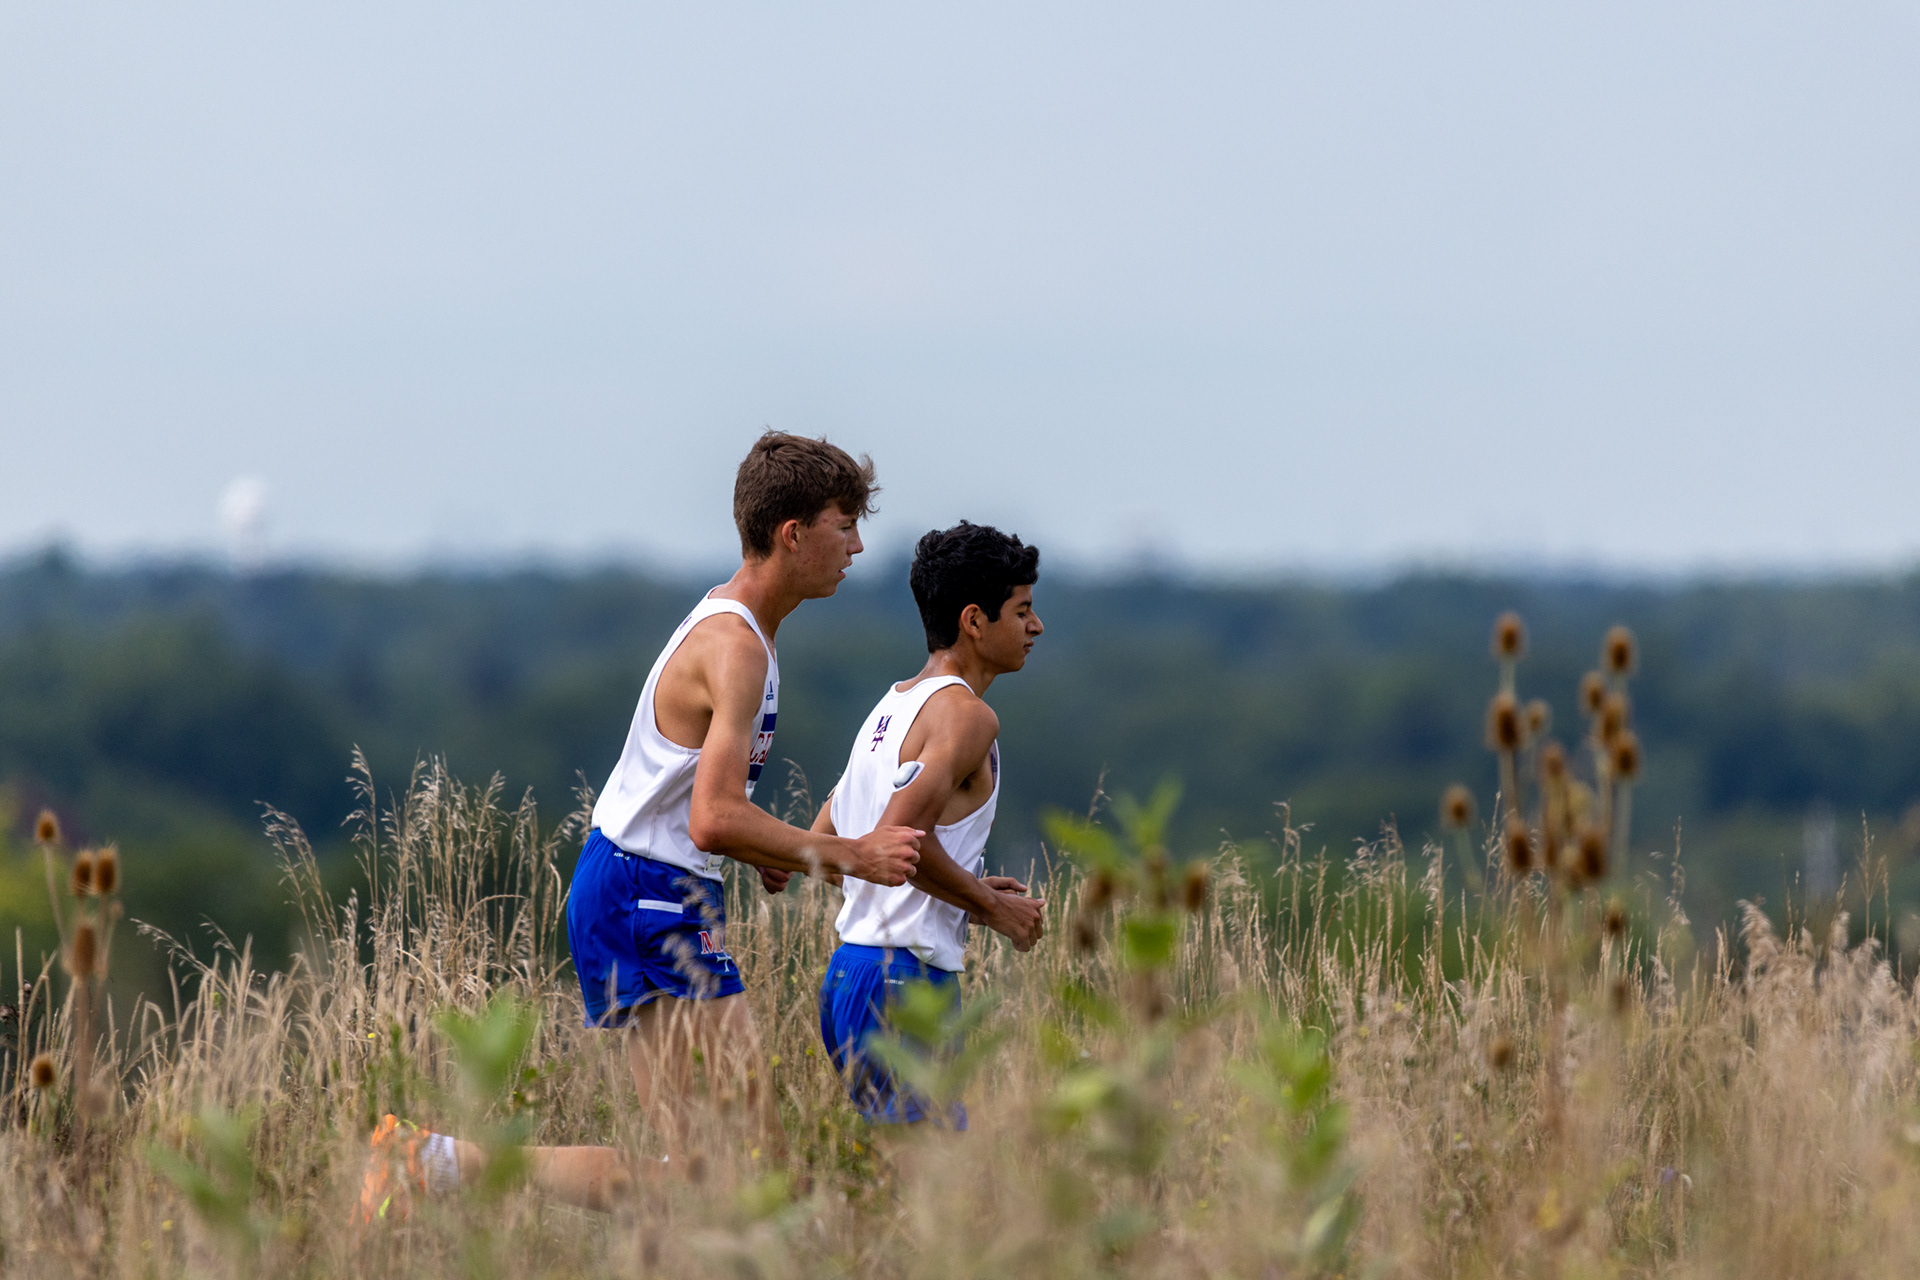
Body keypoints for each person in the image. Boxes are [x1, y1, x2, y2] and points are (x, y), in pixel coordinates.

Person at [359, 432, 923, 1222]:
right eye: (845, 525)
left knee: (718, 1178)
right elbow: (712, 818)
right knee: (742, 1175)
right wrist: (849, 854)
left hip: (645, 886)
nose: (858, 547)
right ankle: (429, 1162)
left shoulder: (742, 631)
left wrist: (778, 851)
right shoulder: (736, 647)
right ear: (793, 534)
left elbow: (705, 808)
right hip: (645, 892)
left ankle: (431, 1163)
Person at [811, 520, 1046, 1129]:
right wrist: (994, 908)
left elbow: (832, 847)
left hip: (852, 975)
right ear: (974, 620)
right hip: (903, 982)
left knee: (912, 1175)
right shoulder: (968, 717)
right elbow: (901, 843)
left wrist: (958, 894)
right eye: (1023, 610)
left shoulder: (891, 706)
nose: (1036, 626)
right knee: (930, 1180)